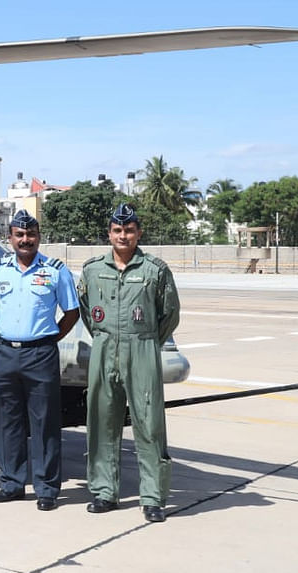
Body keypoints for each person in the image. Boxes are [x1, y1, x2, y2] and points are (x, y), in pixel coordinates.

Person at [77, 203, 180, 523]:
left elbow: (170, 314)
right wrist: (106, 338)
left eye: (130, 230)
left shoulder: (155, 269)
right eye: (118, 230)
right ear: (109, 233)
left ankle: (152, 497)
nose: (124, 235)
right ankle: (105, 491)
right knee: (101, 421)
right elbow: (86, 311)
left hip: (143, 349)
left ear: (138, 232)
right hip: (104, 347)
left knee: (149, 424)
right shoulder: (93, 269)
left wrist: (146, 341)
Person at [0, 210, 79, 511]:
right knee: (6, 421)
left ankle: (47, 488)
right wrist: (15, 333)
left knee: (45, 422)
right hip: (6, 353)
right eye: (19, 235)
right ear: (9, 237)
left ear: (39, 236)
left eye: (31, 234)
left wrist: (46, 339)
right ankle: (11, 483)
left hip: (41, 354)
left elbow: (71, 312)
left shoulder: (55, 270)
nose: (26, 240)